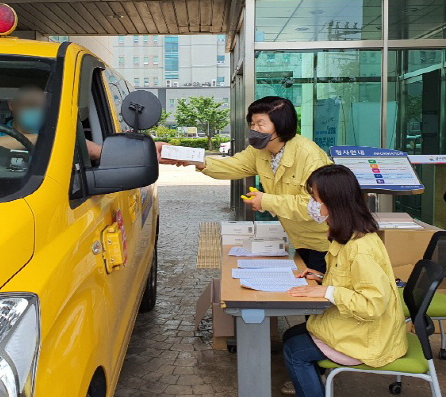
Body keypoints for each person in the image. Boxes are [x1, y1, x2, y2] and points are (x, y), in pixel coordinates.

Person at [282, 164, 408, 397]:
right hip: (357, 326)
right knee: (290, 335)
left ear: (335, 203)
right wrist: (320, 278)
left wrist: (328, 292)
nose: (312, 205)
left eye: (316, 199)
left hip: (369, 336)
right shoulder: (347, 234)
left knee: (294, 350)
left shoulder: (360, 248)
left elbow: (372, 304)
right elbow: (351, 280)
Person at [170, 96, 332, 272]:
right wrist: (197, 161)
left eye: (260, 124)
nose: (254, 130)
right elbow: (233, 165)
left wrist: (265, 201)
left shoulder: (309, 156)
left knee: (319, 292)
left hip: (325, 242)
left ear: (282, 125)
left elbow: (317, 206)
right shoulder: (260, 151)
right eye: (252, 124)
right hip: (299, 238)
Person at [0, 85, 103, 160]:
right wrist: (45, 138)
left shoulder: (55, 131)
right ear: (12, 104)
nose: (36, 111)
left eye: (41, 107)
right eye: (30, 105)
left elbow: (94, 151)